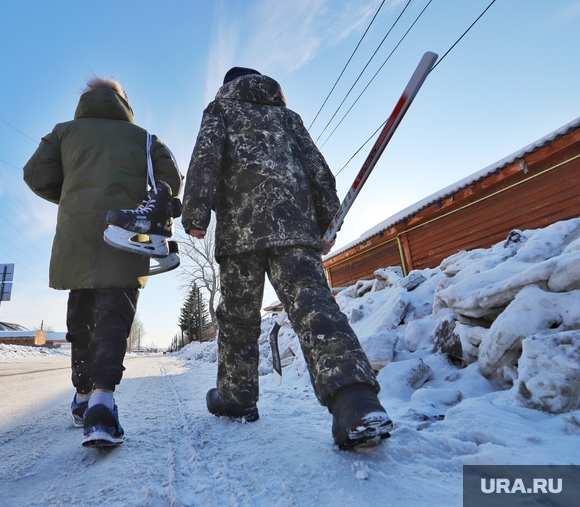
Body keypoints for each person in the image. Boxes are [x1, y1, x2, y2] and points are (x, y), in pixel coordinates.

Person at [181, 67, 392, 450]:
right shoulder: (287, 116)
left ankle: (237, 397)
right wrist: (329, 221)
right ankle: (355, 402)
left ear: (228, 86)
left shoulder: (221, 111)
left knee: (239, 317)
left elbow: (205, 159)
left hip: (241, 232)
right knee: (314, 305)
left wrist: (195, 214)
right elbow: (318, 169)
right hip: (295, 229)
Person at [23, 77, 182, 447]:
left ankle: (81, 396)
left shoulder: (63, 133)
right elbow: (171, 180)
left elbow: (36, 175)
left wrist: (72, 197)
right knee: (113, 316)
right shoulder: (144, 138)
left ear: (87, 99)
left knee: (81, 316)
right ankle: (102, 403)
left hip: (76, 232)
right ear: (122, 101)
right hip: (128, 233)